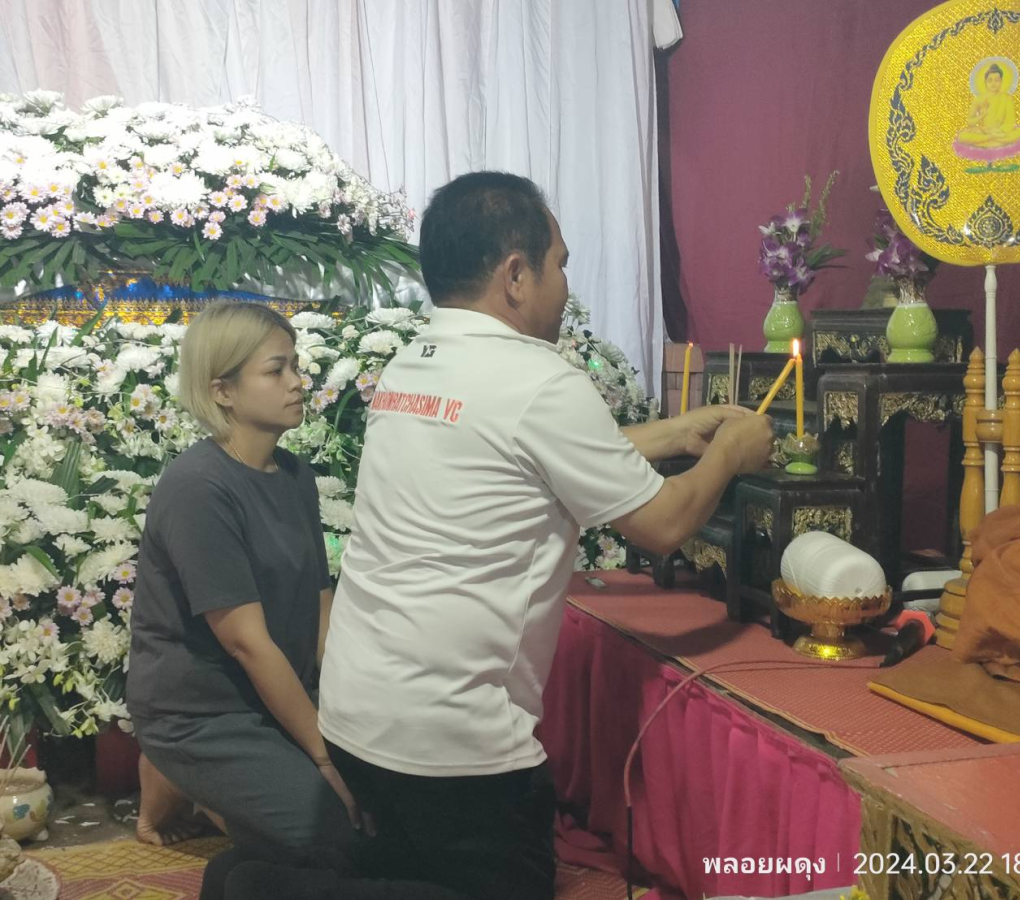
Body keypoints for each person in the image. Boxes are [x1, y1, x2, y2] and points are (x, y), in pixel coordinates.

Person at [301, 171, 773, 900]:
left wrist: (679, 431)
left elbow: (517, 455)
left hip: (357, 715)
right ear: (516, 276)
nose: (565, 285)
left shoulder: (414, 363)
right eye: (560, 264)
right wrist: (731, 454)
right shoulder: (538, 380)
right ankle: (255, 883)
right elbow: (663, 524)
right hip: (454, 746)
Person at [126, 302, 360, 864]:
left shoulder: (296, 476)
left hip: (278, 692)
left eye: (297, 367)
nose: (298, 383)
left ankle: (197, 788)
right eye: (276, 370)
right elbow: (245, 642)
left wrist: (348, 704)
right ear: (223, 391)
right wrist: (324, 757)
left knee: (391, 802)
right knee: (332, 833)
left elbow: (319, 602)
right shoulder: (199, 487)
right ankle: (177, 767)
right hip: (204, 712)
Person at [956, 63, 1020, 150]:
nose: (993, 83)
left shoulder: (1007, 98)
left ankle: (986, 141)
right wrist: (981, 116)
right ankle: (991, 139)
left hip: (1000, 132)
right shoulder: (979, 98)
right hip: (984, 131)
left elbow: (1010, 122)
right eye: (990, 80)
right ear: (985, 82)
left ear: (1001, 81)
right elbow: (970, 122)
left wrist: (1000, 131)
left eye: (997, 80)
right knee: (962, 136)